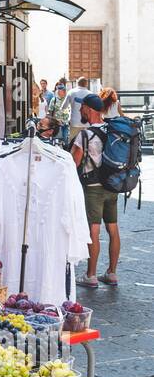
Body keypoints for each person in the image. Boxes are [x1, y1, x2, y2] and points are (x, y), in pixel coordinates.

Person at [72, 93, 120, 286]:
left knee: (94, 230)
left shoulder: (85, 135)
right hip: (112, 185)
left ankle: (90, 275)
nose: (80, 110)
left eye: (82, 107)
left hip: (93, 187)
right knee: (113, 228)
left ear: (89, 109)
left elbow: (72, 163)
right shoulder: (113, 130)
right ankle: (112, 273)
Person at [67, 75, 92, 142]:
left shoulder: (71, 92)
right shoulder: (90, 94)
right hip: (87, 122)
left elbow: (64, 106)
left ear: (77, 83)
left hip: (74, 121)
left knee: (73, 141)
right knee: (86, 141)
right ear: (86, 84)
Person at [48, 80, 72, 146]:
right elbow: (50, 111)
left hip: (66, 123)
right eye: (63, 91)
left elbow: (70, 109)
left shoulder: (67, 99)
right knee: (57, 141)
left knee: (66, 140)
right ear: (59, 91)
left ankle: (66, 152)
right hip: (57, 124)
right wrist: (53, 121)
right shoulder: (54, 100)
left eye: (65, 90)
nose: (64, 92)